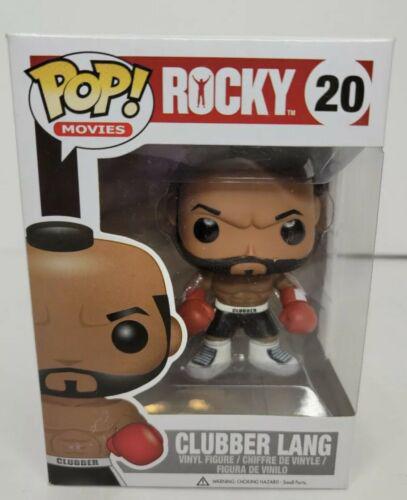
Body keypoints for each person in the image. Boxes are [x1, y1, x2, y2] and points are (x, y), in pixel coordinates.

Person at [27, 221, 184, 485]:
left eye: (127, 335)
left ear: (172, 336)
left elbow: (145, 450)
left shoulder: (118, 412)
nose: (70, 357)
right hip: (28, 472)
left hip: (100, 477)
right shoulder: (27, 404)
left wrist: (132, 439)